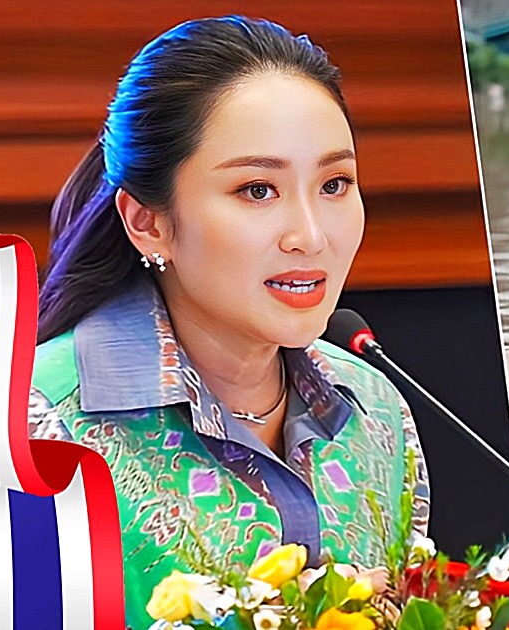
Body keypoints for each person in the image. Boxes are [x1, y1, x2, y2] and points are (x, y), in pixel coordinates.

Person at [26, 16, 428, 627]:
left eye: (335, 183)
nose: (311, 236)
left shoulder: (377, 408)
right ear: (148, 222)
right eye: (257, 190)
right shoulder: (33, 426)